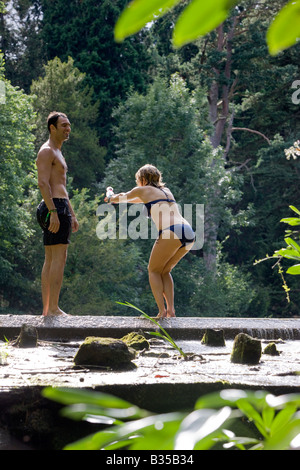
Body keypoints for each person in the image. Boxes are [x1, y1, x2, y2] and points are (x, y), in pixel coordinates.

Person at [105, 164, 195, 318]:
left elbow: (123, 197)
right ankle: (171, 311)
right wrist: (114, 198)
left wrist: (110, 196)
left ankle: (161, 311)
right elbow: (134, 200)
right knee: (165, 270)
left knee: (153, 270)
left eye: (137, 180)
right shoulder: (166, 191)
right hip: (188, 232)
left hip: (171, 231)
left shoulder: (143, 189)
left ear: (143, 179)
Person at [36, 112, 79, 316]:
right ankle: (52, 308)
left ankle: (48, 309)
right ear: (52, 128)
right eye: (63, 125)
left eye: (69, 125)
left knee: (52, 257)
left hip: (60, 207)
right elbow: (43, 183)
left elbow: (61, 186)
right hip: (54, 207)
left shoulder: (58, 152)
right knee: (58, 257)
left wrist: (72, 214)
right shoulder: (47, 151)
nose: (67, 129)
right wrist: (53, 211)